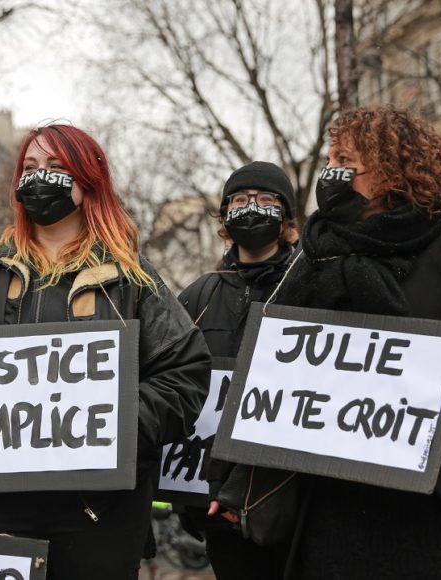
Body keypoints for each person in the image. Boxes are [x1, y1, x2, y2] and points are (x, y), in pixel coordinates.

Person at [0, 124, 211, 580]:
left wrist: (114, 424)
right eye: (31, 168)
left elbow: (186, 374)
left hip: (98, 514)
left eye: (57, 168)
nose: (41, 178)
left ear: (88, 180)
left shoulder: (133, 278)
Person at [248, 105, 441, 579]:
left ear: (393, 173)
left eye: (347, 159)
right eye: (331, 157)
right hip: (331, 525)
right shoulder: (308, 265)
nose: (333, 171)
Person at [177, 161, 298, 579]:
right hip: (217, 508)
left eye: (266, 200)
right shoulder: (198, 297)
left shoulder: (310, 285)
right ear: (225, 214)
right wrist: (187, 499)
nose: (252, 208)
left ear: (285, 217)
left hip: (296, 504)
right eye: (242, 200)